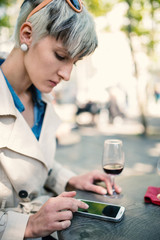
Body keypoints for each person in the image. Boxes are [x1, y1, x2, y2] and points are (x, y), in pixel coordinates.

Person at [0, 0, 121, 239]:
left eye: (73, 63)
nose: (66, 74)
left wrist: (70, 180)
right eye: (60, 56)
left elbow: (35, 164)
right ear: (27, 35)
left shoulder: (42, 98)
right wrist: (26, 225)